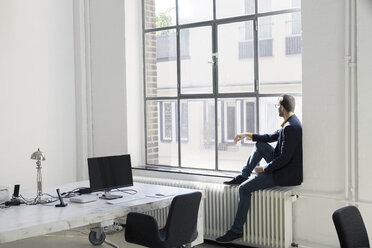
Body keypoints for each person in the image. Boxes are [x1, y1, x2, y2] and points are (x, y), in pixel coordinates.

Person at [216, 94, 303, 243]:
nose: (277, 109)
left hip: (283, 172)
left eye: (277, 106)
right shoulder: (290, 122)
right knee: (260, 145)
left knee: (243, 189)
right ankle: (244, 175)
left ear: (282, 108)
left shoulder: (291, 128)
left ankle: (236, 230)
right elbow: (270, 137)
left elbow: (285, 159)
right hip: (281, 165)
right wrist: (246, 135)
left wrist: (264, 169)